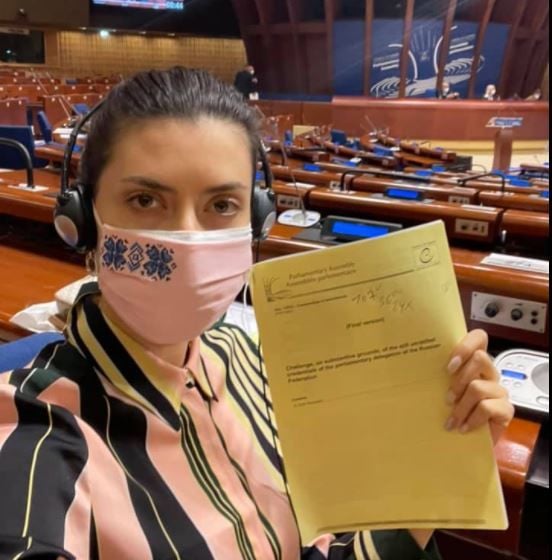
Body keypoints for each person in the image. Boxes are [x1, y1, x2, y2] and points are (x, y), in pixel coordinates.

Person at [0, 67, 514, 559]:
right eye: (145, 200)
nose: (187, 238)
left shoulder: (249, 358)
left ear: (257, 220)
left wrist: (440, 457)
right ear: (83, 218)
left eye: (222, 205)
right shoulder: (36, 432)